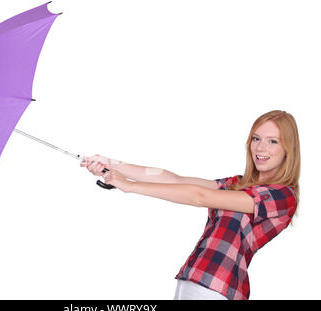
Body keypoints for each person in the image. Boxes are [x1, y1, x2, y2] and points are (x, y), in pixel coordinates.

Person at [80, 110, 300, 300]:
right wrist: (112, 164)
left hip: (218, 289)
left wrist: (128, 186)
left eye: (273, 141)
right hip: (193, 280)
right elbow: (176, 180)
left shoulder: (282, 196)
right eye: (256, 138)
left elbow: (199, 196)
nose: (260, 148)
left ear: (288, 149)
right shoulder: (238, 183)